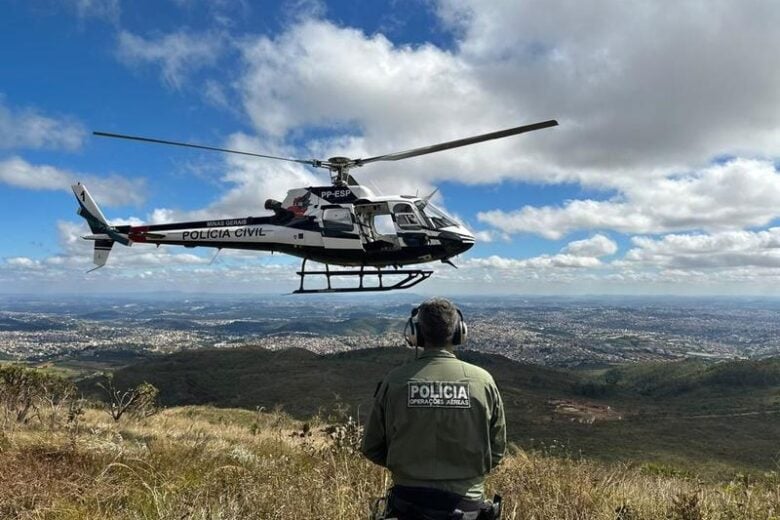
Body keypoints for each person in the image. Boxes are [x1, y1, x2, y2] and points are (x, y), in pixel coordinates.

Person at [362, 298, 506, 520]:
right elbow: (496, 451)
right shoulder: (483, 381)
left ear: (415, 334)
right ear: (460, 333)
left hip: (406, 506)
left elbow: (372, 447)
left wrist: (408, 466)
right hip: (468, 508)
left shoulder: (395, 381)